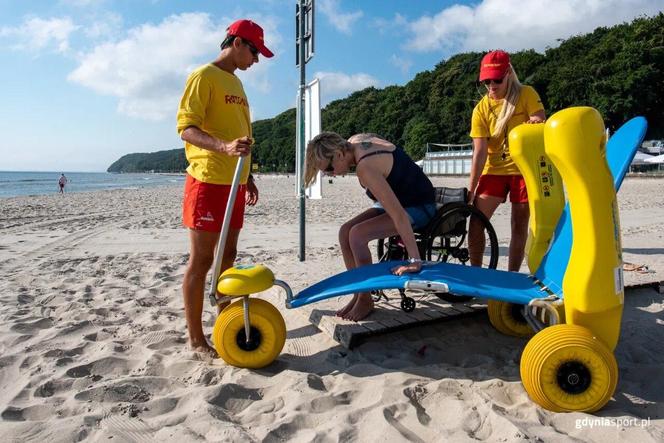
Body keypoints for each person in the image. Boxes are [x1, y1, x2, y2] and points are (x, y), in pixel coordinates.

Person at [176, 19, 272, 356]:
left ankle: (223, 320)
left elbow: (241, 136)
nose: (256, 60)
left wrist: (249, 176)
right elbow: (186, 129)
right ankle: (195, 339)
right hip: (207, 181)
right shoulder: (204, 76)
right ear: (238, 43)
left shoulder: (236, 84)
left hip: (234, 184)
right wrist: (224, 148)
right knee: (201, 260)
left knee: (228, 257)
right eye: (255, 51)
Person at [304, 132, 437, 321]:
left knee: (357, 235)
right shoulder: (354, 142)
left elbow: (399, 215)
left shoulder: (365, 166)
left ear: (339, 154)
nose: (330, 174)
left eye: (329, 168)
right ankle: (358, 293)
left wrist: (415, 260)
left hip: (419, 206)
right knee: (345, 232)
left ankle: (366, 299)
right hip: (401, 200)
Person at [468, 50, 545, 272]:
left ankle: (512, 274)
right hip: (493, 171)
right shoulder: (481, 109)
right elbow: (479, 152)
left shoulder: (526, 94)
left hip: (524, 171)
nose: (491, 85)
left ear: (509, 73)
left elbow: (541, 120)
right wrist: (471, 189)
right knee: (476, 223)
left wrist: (534, 122)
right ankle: (477, 274)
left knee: (519, 226)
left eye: (497, 80)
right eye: (486, 81)